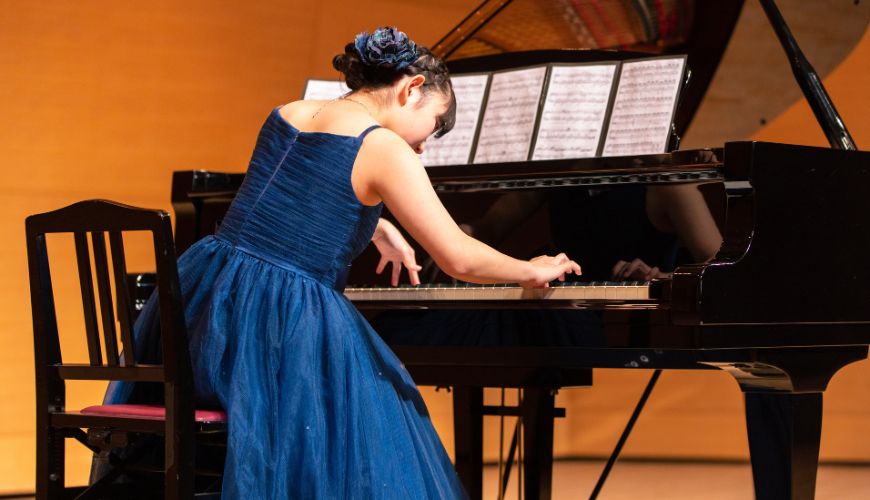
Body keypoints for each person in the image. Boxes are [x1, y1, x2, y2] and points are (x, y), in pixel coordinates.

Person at [105, 27, 580, 498]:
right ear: (411, 89)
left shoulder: (288, 112)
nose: (425, 145)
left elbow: (293, 197)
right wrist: (531, 268)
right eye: (433, 125)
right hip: (277, 325)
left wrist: (374, 223)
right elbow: (458, 257)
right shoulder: (384, 147)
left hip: (204, 310)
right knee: (381, 417)